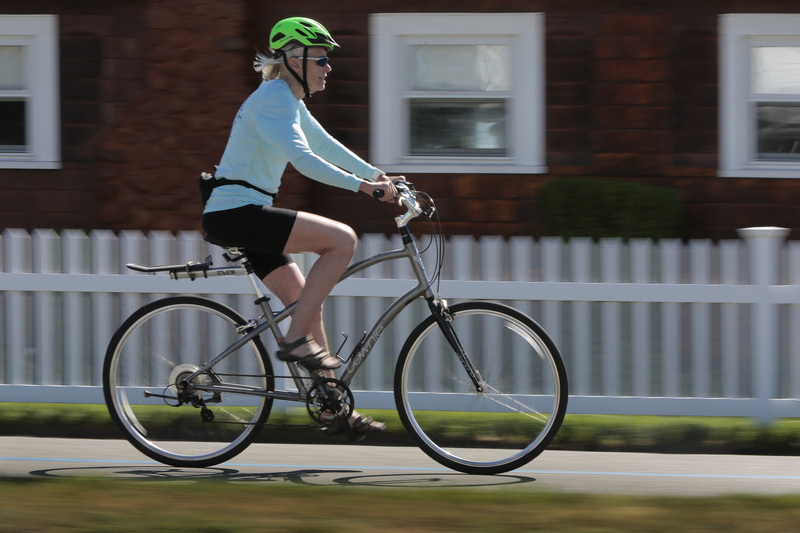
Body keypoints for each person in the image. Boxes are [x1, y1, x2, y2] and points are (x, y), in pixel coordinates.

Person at [202, 17, 400, 438]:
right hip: (237, 213)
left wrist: (380, 175)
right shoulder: (273, 98)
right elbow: (304, 159)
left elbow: (325, 145)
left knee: (307, 303)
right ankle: (294, 342)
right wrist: (366, 189)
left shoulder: (287, 99)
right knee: (342, 240)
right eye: (322, 59)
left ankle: (331, 407)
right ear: (295, 58)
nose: (329, 67)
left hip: (245, 211)